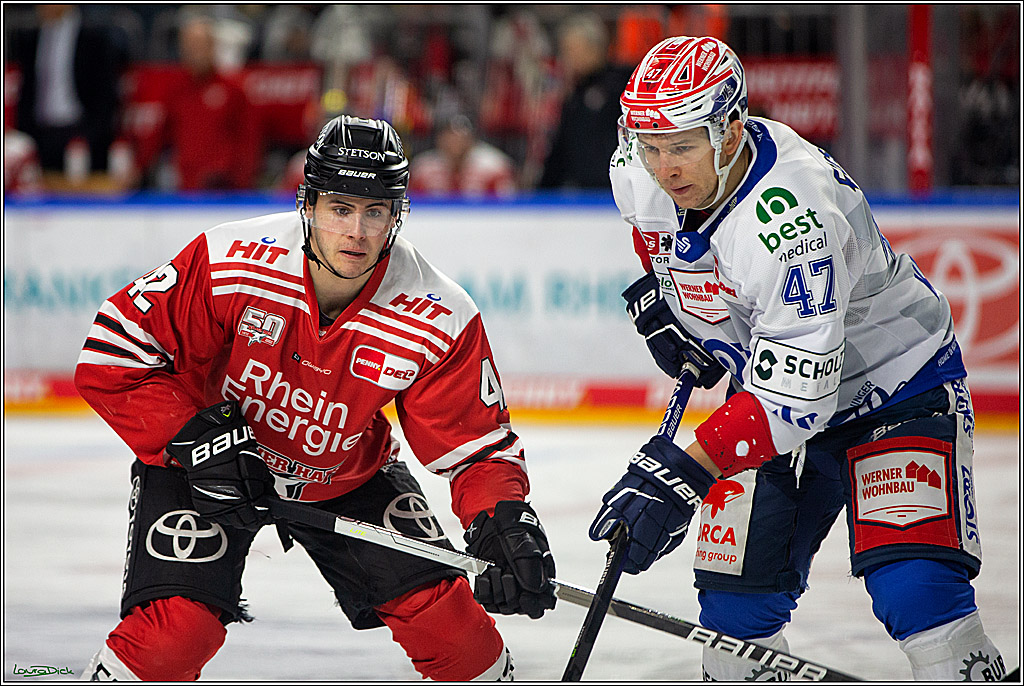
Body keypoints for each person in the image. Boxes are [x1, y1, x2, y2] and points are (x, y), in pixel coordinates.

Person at [75, 115, 556, 681]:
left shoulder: (439, 313)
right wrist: (191, 436)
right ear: (307, 204)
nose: (357, 232)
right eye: (340, 208)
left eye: (376, 212)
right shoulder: (231, 258)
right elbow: (112, 354)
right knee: (174, 636)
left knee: (458, 636)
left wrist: (503, 521)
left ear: (398, 215)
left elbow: (477, 446)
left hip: (346, 476)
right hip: (206, 464)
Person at [589, 36, 1006, 681]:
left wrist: (681, 472)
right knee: (734, 608)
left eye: (682, 147)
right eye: (651, 145)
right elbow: (660, 239)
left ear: (730, 131)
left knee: (916, 589)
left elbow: (797, 401)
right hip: (774, 381)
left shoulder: (791, 222)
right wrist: (670, 304)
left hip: (894, 386)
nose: (663, 167)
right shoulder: (639, 164)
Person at [133, 14, 261, 190]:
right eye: (191, 46)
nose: (196, 52)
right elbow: (159, 137)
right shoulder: (176, 91)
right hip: (187, 189)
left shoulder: (233, 91)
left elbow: (249, 142)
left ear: (213, 46)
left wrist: (241, 183)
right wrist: (138, 169)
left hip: (225, 190)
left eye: (201, 45)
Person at [9, 4, 126, 173]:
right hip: (40, 136)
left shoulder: (95, 36)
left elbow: (105, 95)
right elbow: (27, 92)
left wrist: (92, 135)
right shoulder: (29, 38)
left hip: (80, 134)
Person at [537, 11, 631, 191]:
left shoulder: (624, 86)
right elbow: (561, 150)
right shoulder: (574, 95)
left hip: (613, 191)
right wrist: (540, 192)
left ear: (594, 48)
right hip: (582, 194)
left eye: (571, 49)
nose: (566, 57)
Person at [409, 114, 517, 198]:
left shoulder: (494, 167)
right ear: (440, 139)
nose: (455, 141)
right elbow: (412, 203)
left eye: (461, 136)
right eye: (450, 135)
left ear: (472, 138)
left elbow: (507, 205)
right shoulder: (422, 169)